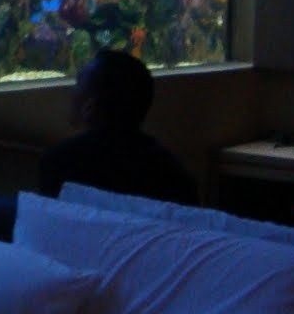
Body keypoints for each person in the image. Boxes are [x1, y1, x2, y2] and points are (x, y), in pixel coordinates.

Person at [39, 49, 197, 204]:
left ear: (89, 107)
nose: (71, 92)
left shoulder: (59, 165)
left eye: (78, 84)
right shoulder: (173, 174)